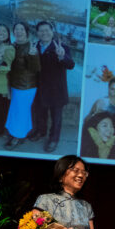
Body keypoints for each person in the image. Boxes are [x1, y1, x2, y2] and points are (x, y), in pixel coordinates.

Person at [29, 22, 75, 154]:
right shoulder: (34, 46)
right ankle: (41, 132)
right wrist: (30, 56)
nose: (44, 33)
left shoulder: (62, 47)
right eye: (41, 31)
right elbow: (30, 68)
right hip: (39, 88)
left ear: (52, 31)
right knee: (40, 113)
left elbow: (71, 65)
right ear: (37, 33)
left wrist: (62, 56)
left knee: (56, 117)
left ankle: (54, 139)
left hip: (56, 89)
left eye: (47, 30)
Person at [4, 22, 40, 150]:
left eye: (21, 29)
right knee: (18, 111)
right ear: (13, 32)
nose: (18, 31)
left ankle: (17, 137)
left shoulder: (31, 47)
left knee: (21, 112)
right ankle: (20, 133)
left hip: (26, 86)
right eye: (16, 29)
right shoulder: (13, 45)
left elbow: (35, 69)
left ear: (26, 32)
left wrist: (33, 56)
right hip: (15, 85)